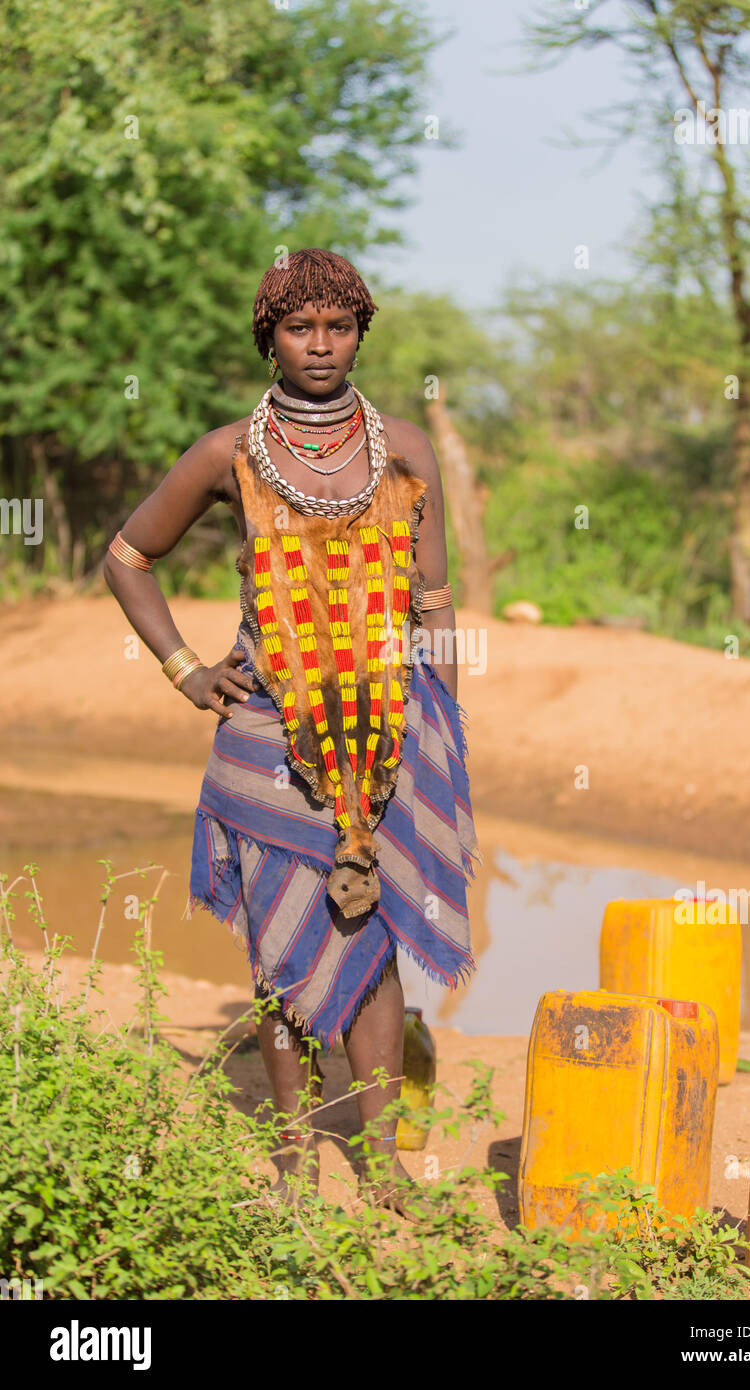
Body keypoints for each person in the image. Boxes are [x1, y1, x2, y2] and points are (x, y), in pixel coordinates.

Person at [103, 248, 480, 1212]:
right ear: (269, 337)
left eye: (339, 326)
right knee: (282, 945)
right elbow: (128, 555)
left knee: (378, 932)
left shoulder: (404, 449)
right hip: (267, 733)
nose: (321, 344)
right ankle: (290, 1161)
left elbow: (432, 594)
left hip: (382, 729)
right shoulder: (230, 451)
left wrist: (437, 711)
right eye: (300, 327)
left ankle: (383, 1160)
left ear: (361, 332)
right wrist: (187, 669)